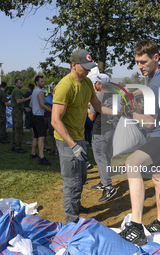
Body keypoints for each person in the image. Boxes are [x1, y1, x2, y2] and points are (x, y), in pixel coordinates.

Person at [118, 40, 160, 245]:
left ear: (156, 57)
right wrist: (130, 94)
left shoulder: (157, 85)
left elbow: (150, 122)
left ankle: (136, 227)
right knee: (158, 179)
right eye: (137, 62)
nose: (140, 66)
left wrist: (129, 112)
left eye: (143, 62)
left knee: (132, 163)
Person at [51, 49, 106, 224]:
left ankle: (76, 205)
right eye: (85, 67)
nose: (89, 70)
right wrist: (73, 145)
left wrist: (118, 113)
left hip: (80, 137)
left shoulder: (87, 83)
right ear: (73, 65)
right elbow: (55, 120)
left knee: (81, 177)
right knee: (71, 181)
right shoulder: (65, 86)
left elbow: (97, 105)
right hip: (67, 141)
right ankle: (71, 221)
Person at [88, 74, 117, 202]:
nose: (95, 84)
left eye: (96, 83)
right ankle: (103, 180)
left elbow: (91, 117)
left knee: (100, 158)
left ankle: (108, 186)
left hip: (100, 130)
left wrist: (88, 106)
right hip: (111, 129)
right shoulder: (114, 95)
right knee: (106, 156)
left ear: (100, 84)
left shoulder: (99, 96)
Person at [29, 76, 52, 165]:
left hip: (34, 116)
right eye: (41, 82)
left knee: (35, 136)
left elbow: (31, 105)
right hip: (39, 117)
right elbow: (42, 105)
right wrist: (52, 110)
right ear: (36, 82)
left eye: (43, 81)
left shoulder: (34, 91)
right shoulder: (40, 92)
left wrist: (36, 108)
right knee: (41, 137)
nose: (43, 83)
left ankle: (33, 153)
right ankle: (41, 156)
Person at [10, 79, 30, 153]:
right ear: (16, 84)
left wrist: (24, 107)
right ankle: (18, 147)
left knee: (15, 129)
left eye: (22, 83)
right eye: (20, 83)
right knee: (18, 130)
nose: (21, 84)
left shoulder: (15, 91)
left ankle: (13, 145)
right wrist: (28, 98)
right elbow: (18, 101)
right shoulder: (17, 91)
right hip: (17, 112)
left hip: (16, 110)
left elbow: (16, 102)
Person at [44, 82, 58, 156]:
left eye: (54, 87)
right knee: (44, 133)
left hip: (54, 117)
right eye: (52, 87)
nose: (52, 88)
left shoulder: (58, 97)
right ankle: (48, 147)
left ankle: (56, 149)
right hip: (47, 116)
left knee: (53, 134)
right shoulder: (49, 97)